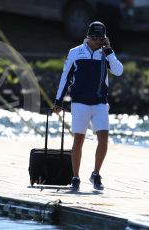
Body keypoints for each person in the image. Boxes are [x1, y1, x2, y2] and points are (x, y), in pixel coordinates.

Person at [53, 21, 123, 191]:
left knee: (104, 140)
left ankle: (95, 174)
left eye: (101, 38)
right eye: (95, 38)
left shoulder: (105, 53)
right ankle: (75, 177)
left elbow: (119, 71)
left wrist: (109, 52)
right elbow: (65, 76)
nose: (98, 41)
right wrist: (58, 100)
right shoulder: (75, 52)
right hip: (79, 103)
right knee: (79, 140)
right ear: (88, 36)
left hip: (100, 103)